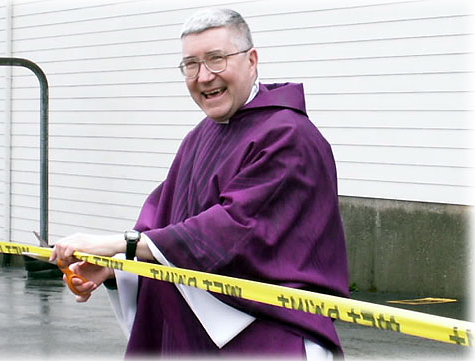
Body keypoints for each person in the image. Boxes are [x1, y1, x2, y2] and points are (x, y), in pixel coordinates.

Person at [50, 8, 349, 360]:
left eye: (216, 59)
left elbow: (234, 230)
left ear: (252, 61)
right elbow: (163, 222)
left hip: (268, 331)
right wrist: (117, 265)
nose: (204, 76)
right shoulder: (200, 137)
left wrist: (120, 244)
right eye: (190, 65)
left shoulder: (288, 136)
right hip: (194, 332)